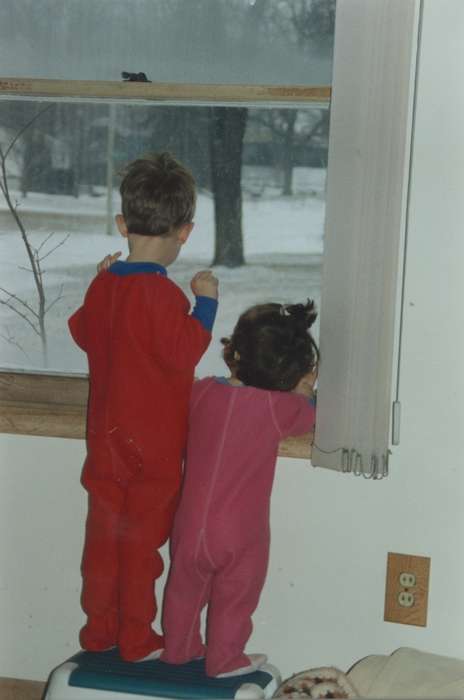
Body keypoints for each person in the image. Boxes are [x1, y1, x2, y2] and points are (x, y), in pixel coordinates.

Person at [68, 153, 219, 663]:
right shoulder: (163, 295)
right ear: (185, 232)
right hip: (151, 449)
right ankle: (136, 638)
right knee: (139, 546)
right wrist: (206, 304)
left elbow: (82, 331)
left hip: (104, 444)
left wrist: (100, 280)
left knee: (102, 542)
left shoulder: (107, 284)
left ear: (122, 224)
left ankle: (98, 632)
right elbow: (185, 351)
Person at [160, 300, 318, 678]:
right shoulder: (277, 408)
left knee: (184, 589)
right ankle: (225, 659)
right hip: (239, 531)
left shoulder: (202, 392)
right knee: (236, 595)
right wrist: (304, 391)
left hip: (188, 524)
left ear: (235, 353)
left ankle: (178, 650)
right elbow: (310, 416)